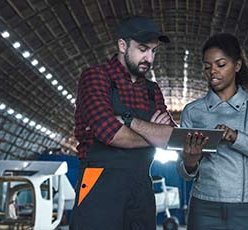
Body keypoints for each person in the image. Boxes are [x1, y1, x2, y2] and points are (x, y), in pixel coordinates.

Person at [70, 15, 176, 230]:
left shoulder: (152, 90)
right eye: (143, 49)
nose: (149, 58)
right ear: (122, 45)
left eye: (154, 51)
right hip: (99, 182)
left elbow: (172, 138)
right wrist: (155, 135)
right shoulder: (96, 77)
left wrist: (130, 123)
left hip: (141, 186)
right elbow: (109, 133)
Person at [176, 33, 248, 230]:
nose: (213, 71)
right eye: (207, 66)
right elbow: (185, 173)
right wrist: (190, 161)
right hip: (204, 208)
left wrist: (237, 138)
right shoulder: (193, 111)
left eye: (220, 65)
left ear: (237, 66)